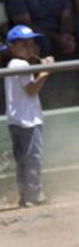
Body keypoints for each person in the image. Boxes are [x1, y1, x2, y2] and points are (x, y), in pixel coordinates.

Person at [5, 24, 51, 207]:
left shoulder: (15, 64)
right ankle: (34, 195)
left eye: (31, 44)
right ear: (12, 47)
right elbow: (32, 90)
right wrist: (47, 70)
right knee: (33, 159)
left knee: (24, 161)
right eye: (23, 44)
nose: (29, 48)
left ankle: (26, 196)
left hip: (18, 120)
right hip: (27, 121)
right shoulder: (20, 64)